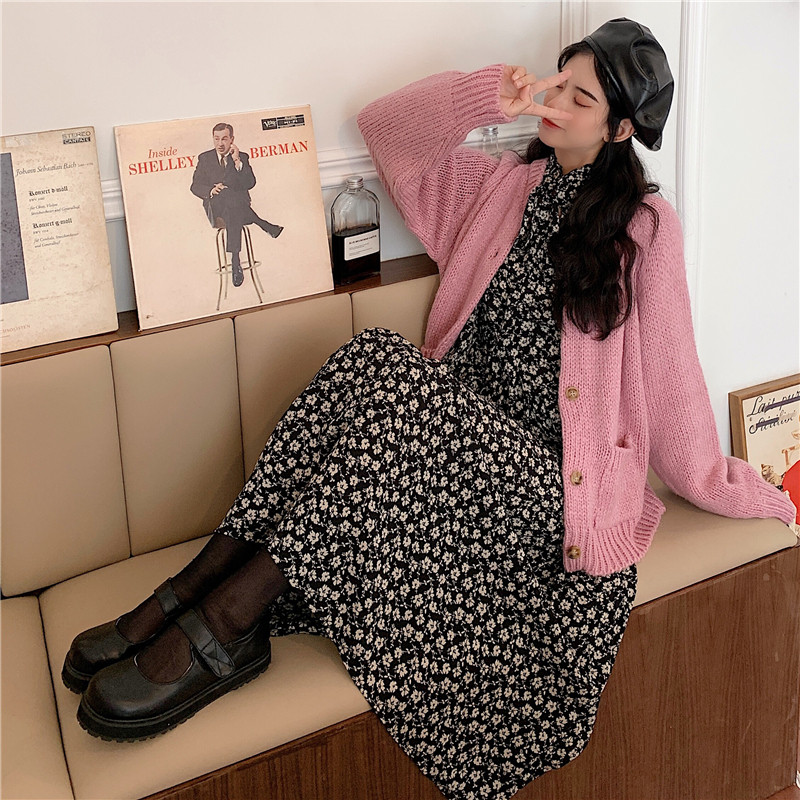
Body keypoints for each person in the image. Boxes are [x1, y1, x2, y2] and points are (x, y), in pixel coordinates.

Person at [62, 18, 795, 800]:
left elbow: (675, 386)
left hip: (549, 488)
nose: (555, 103)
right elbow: (387, 130)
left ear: (620, 129)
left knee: (400, 385)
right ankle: (201, 587)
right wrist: (489, 96)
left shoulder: (646, 230)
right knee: (375, 357)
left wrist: (752, 492)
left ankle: (229, 620)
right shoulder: (499, 188)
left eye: (580, 99)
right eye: (558, 81)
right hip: (445, 449)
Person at [190, 122, 283, 287]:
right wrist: (211, 189)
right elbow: (195, 186)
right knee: (227, 195)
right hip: (216, 208)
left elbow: (250, 183)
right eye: (216, 139)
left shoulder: (241, 157)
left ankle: (235, 260)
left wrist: (237, 161)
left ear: (232, 139)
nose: (220, 143)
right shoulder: (205, 158)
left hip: (237, 209)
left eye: (224, 139)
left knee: (232, 201)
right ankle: (263, 224)